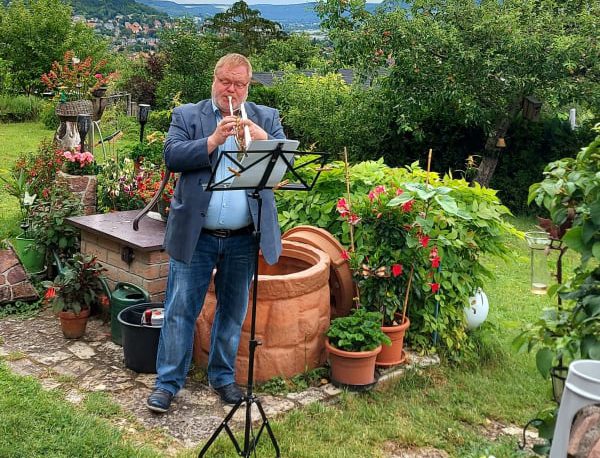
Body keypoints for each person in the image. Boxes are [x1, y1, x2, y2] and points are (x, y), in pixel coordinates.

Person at [146, 53, 285, 413]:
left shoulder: (267, 117)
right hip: (198, 233)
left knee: (233, 310)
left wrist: (261, 137)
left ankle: (222, 377)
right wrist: (211, 141)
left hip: (243, 235)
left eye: (239, 84)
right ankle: (167, 383)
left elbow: (285, 168)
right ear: (214, 79)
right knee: (180, 309)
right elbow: (172, 156)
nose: (231, 90)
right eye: (226, 81)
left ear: (248, 86)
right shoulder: (188, 115)